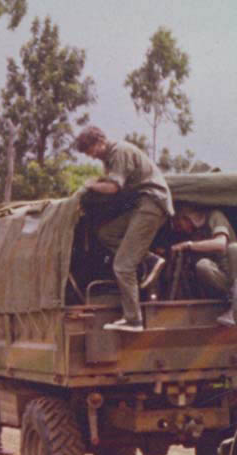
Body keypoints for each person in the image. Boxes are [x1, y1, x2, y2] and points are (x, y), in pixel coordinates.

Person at [74, 126, 173, 332]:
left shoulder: (119, 151)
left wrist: (89, 185)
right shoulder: (109, 159)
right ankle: (150, 259)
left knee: (123, 266)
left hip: (152, 203)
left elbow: (113, 188)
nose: (91, 155)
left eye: (90, 150)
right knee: (106, 233)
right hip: (141, 204)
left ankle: (133, 319)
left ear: (99, 140)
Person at [171, 203, 237, 326]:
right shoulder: (192, 233)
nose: (180, 228)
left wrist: (190, 245)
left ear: (187, 217)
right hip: (224, 284)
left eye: (179, 223)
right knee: (202, 265)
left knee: (234, 248)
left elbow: (220, 244)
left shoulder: (214, 216)